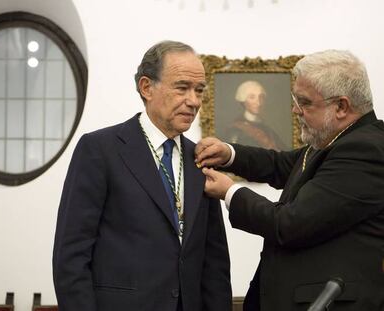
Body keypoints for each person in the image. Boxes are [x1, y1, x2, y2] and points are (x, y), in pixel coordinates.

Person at [195, 50, 384, 311]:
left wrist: (230, 192)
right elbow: (280, 164)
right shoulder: (333, 139)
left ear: (341, 106)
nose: (295, 110)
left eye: (305, 102)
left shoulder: (365, 151)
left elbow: (289, 224)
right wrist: (229, 154)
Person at [53, 40, 232, 311]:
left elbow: (214, 261)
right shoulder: (100, 149)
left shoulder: (200, 158)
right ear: (147, 87)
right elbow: (71, 256)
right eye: (182, 88)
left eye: (199, 90)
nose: (193, 101)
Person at [225, 80, 286, 151]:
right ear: (243, 101)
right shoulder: (236, 130)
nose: (258, 102)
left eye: (261, 97)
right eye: (252, 97)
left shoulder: (267, 129)